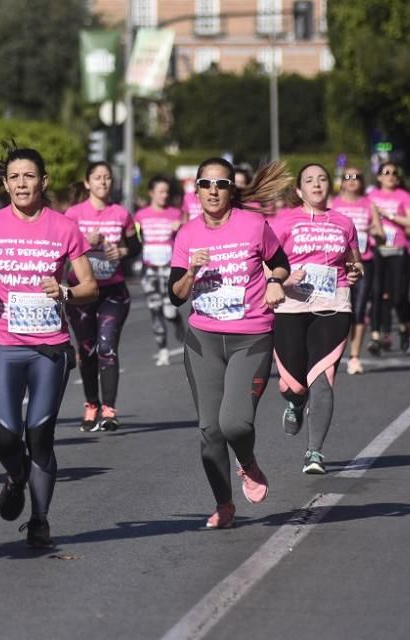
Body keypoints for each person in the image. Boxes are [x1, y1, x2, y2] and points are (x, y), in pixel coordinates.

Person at [0, 143, 98, 547]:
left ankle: (40, 520)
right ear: (5, 184)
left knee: (39, 434)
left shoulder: (64, 227)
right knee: (4, 435)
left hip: (51, 350)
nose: (22, 183)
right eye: (15, 177)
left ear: (44, 181)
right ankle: (16, 476)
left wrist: (65, 292)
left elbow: (90, 286)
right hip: (5, 345)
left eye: (29, 176)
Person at [168, 158, 292, 529]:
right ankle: (224, 504)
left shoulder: (254, 225)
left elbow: (281, 263)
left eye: (220, 184)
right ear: (197, 190)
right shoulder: (188, 234)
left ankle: (248, 463)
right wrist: (191, 271)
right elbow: (176, 295)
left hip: (250, 337)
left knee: (234, 424)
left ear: (230, 189)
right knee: (209, 429)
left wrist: (275, 281)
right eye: (205, 183)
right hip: (203, 339)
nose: (213, 190)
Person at [270, 165, 363, 474]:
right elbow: (265, 265)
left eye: (322, 179)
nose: (316, 184)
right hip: (291, 305)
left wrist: (355, 270)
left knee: (322, 378)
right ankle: (295, 404)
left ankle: (314, 453)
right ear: (299, 191)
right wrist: (282, 278)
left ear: (329, 186)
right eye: (309, 180)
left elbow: (355, 261)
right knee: (292, 385)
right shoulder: (283, 221)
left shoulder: (345, 223)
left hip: (333, 304)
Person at [64, 162, 140, 432]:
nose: (103, 182)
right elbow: (61, 248)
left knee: (107, 346)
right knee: (87, 350)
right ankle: (91, 404)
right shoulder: (73, 214)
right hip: (81, 292)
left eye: (107, 178)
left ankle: (109, 409)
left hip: (113, 291)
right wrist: (87, 240)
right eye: (97, 178)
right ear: (87, 183)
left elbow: (134, 246)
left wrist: (120, 253)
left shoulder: (121, 213)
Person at [330, 168, 381, 374]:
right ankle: (331, 354)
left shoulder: (369, 204)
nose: (351, 181)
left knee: (358, 309)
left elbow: (381, 234)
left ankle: (354, 356)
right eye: (347, 177)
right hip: (336, 264)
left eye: (356, 177)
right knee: (337, 311)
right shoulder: (332, 204)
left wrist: (375, 232)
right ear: (341, 182)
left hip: (362, 262)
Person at [368, 162, 410, 354]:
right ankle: (378, 336)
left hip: (398, 251)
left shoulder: (403, 196)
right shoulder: (371, 197)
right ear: (379, 177)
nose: (390, 175)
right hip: (378, 250)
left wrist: (388, 214)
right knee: (378, 294)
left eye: (394, 173)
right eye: (385, 172)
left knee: (399, 297)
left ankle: (406, 325)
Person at [135, 175, 186, 366]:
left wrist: (179, 228)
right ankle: (162, 350)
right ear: (151, 193)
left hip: (169, 269)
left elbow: (185, 240)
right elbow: (136, 240)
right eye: (160, 192)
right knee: (155, 309)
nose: (164, 195)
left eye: (166, 192)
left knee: (169, 312)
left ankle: (177, 322)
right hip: (149, 270)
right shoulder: (141, 215)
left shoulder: (176, 214)